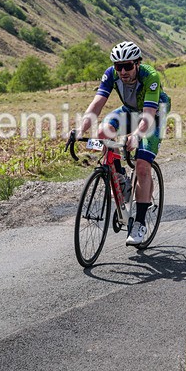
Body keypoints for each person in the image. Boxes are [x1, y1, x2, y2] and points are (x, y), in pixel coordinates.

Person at [74, 41, 170, 246]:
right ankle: (121, 179)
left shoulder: (150, 76)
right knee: (101, 132)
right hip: (129, 109)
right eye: (119, 66)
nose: (123, 71)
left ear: (137, 63)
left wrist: (135, 135)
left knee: (143, 166)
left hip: (153, 114)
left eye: (127, 66)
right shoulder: (111, 74)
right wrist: (79, 131)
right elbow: (97, 104)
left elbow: (148, 116)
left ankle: (140, 223)